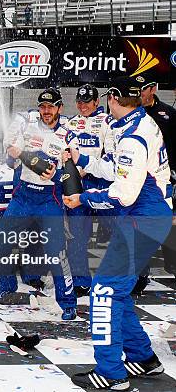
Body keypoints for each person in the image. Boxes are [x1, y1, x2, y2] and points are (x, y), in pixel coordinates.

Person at [66, 77, 171, 390]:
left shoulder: (132, 138)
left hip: (142, 220)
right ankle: (144, 358)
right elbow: (117, 169)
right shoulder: (140, 123)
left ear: (112, 98)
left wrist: (83, 198)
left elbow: (123, 193)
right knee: (116, 289)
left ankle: (111, 373)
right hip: (147, 219)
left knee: (104, 291)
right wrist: (82, 160)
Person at [0, 88, 77, 321]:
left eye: (51, 106)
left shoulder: (67, 134)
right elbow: (10, 151)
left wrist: (57, 174)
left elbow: (75, 171)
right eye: (43, 107)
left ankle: (67, 302)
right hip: (23, 197)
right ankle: (6, 285)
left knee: (57, 253)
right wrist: (24, 156)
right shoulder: (28, 126)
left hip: (49, 200)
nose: (47, 111)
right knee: (1, 243)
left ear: (59, 108)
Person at [63, 84, 114, 296]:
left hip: (102, 182)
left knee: (119, 229)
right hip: (78, 184)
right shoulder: (71, 123)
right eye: (80, 102)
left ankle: (131, 276)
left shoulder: (107, 122)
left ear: (96, 103)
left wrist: (89, 167)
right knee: (76, 235)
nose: (83, 106)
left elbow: (111, 154)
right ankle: (82, 281)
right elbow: (65, 152)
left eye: (87, 102)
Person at [137, 74, 176, 277]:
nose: (138, 94)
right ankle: (141, 270)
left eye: (141, 90)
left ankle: (172, 263)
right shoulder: (131, 113)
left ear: (152, 89)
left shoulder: (168, 113)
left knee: (167, 219)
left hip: (164, 177)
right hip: (138, 176)